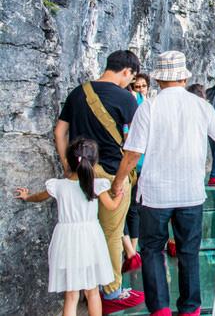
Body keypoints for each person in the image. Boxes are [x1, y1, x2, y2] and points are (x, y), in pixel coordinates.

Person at [112, 51, 215, 316]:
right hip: (190, 194)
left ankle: (160, 309)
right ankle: (190, 309)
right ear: (184, 77)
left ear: (159, 80)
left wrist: (118, 182)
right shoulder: (200, 105)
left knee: (152, 251)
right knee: (188, 251)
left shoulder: (148, 107)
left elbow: (133, 153)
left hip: (154, 195)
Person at [53, 50, 144, 313]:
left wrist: (68, 166)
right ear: (126, 71)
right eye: (131, 76)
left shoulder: (78, 92)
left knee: (84, 231)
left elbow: (60, 131)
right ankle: (112, 290)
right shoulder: (126, 98)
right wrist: (121, 180)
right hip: (112, 175)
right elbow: (133, 144)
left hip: (81, 174)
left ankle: (86, 288)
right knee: (111, 234)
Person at [15, 138, 123, 316]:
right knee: (93, 291)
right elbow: (111, 206)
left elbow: (39, 197)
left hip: (66, 241)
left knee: (71, 295)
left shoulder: (58, 186)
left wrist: (27, 197)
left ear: (69, 161)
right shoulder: (95, 185)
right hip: (90, 240)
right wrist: (119, 195)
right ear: (94, 163)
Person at [122, 72, 151, 273]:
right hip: (132, 164)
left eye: (142, 86)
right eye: (136, 86)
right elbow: (126, 135)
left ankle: (133, 248)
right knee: (128, 206)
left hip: (146, 164)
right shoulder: (130, 106)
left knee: (136, 207)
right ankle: (131, 250)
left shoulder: (150, 106)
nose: (140, 89)